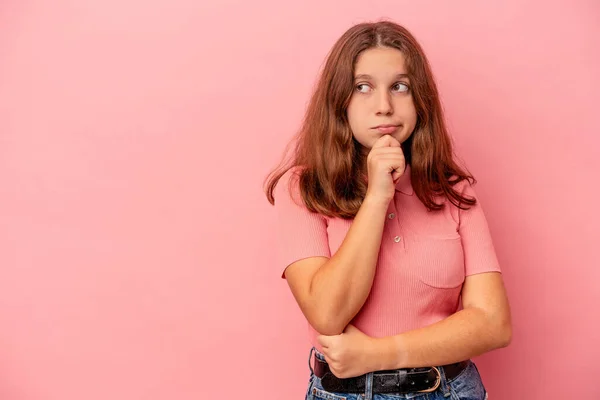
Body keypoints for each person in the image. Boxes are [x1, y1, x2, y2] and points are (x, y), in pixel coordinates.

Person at [264, 20, 511, 400]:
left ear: (420, 99)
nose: (384, 106)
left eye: (400, 86)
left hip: (449, 391)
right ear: (339, 101)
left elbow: (493, 324)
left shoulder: (454, 190)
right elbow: (327, 314)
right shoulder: (302, 189)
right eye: (363, 87)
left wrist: (377, 354)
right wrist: (377, 196)